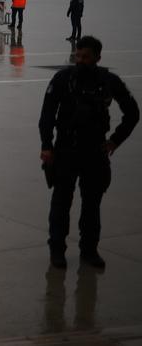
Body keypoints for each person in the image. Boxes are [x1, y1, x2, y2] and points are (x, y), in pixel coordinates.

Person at [39, 36, 139, 269]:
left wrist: (115, 140)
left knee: (92, 205)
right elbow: (47, 115)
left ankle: (89, 250)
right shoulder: (63, 79)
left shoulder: (108, 81)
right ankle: (57, 250)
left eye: (86, 57)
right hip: (66, 150)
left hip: (95, 151)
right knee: (61, 204)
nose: (81, 60)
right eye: (78, 56)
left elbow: (133, 113)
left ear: (97, 58)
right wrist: (46, 145)